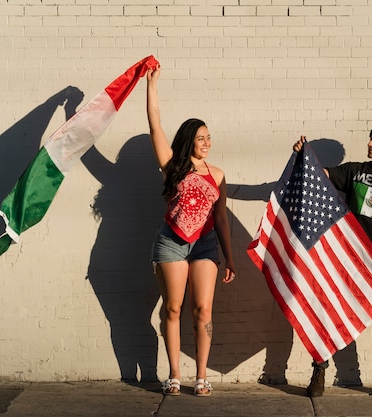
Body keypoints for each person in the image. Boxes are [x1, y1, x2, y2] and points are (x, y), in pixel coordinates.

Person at [293, 121, 372, 399]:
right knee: (328, 311)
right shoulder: (354, 171)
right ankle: (319, 369)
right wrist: (304, 155)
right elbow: (320, 175)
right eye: (370, 139)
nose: (370, 144)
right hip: (348, 256)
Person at [146, 66, 236, 397]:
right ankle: (173, 374)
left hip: (205, 246)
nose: (207, 143)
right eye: (201, 138)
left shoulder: (218, 174)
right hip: (171, 243)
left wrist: (229, 258)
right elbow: (155, 123)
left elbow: (222, 219)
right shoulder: (172, 164)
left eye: (209, 137)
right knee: (172, 307)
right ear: (188, 141)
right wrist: (152, 84)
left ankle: (201, 376)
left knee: (204, 310)